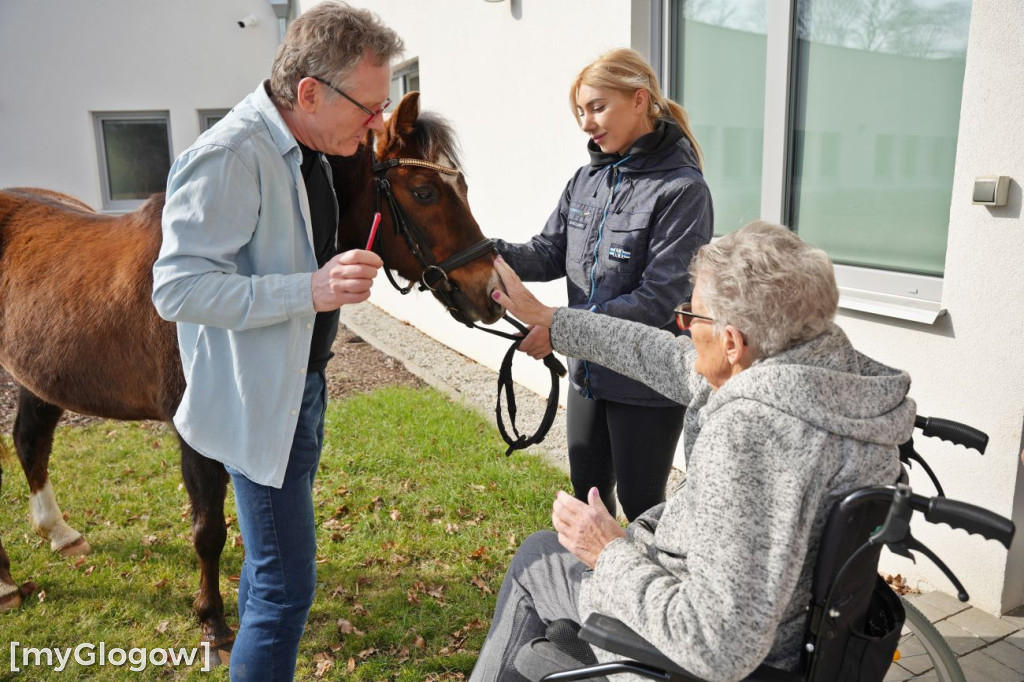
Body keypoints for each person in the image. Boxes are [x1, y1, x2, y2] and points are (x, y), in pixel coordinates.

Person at [471, 222, 914, 682]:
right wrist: (553, 319)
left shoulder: (751, 436)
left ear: (732, 343)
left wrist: (607, 552)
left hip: (684, 661)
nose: (682, 326)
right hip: (794, 631)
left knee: (538, 559)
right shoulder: (836, 388)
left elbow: (718, 644)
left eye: (692, 315)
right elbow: (661, 355)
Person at [151, 3, 401, 679]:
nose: (378, 121)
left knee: (274, 582)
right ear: (311, 92)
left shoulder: (311, 149)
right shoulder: (230, 156)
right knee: (285, 591)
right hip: (260, 406)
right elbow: (177, 290)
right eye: (370, 106)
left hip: (299, 393)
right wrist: (311, 292)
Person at [495, 49, 713, 522]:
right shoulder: (586, 179)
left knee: (642, 507)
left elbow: (659, 299)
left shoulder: (682, 189)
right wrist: (476, 249)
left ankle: (649, 591)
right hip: (590, 372)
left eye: (596, 107)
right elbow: (548, 252)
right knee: (588, 491)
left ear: (639, 100)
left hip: (647, 379)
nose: (586, 123)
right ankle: (597, 586)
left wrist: (561, 327)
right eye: (580, 112)